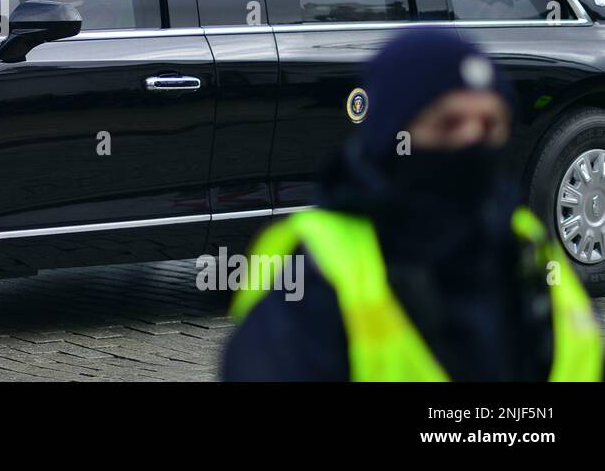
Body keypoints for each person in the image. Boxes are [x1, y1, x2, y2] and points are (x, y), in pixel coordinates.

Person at [223, 31, 602, 381]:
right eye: (448, 123)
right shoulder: (318, 263)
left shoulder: (524, 244)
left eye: (489, 124)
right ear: (392, 134)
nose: (472, 141)